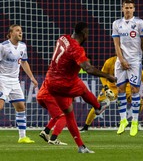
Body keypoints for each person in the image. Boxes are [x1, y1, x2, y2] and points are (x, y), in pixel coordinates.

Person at [42, 22, 116, 153]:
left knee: (69, 114)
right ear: (84, 34)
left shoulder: (62, 38)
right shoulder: (76, 49)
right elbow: (88, 68)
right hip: (64, 83)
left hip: (50, 83)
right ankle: (98, 107)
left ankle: (81, 146)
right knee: (81, 87)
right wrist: (108, 76)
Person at [80, 55, 143, 132]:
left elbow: (140, 73)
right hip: (111, 87)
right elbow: (102, 75)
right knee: (98, 105)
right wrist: (105, 87)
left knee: (139, 102)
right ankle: (86, 126)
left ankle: (135, 122)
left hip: (127, 87)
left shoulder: (130, 61)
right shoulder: (109, 62)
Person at [112, 0, 143, 137]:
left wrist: (137, 55)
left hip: (134, 61)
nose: (128, 10)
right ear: (122, 9)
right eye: (126, 7)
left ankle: (135, 122)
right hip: (121, 61)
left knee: (134, 89)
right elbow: (116, 44)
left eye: (130, 7)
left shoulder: (139, 23)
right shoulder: (116, 24)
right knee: (120, 89)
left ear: (134, 9)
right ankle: (123, 120)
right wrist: (121, 59)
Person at [0, 24, 38, 143]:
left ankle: (22, 137)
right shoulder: (3, 47)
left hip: (14, 81)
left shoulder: (22, 46)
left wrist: (31, 77)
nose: (20, 33)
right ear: (10, 33)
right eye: (17, 31)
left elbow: (24, 62)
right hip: (2, 79)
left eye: (21, 31)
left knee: (21, 108)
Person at [37, 81, 67, 145]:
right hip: (49, 96)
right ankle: (53, 139)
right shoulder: (64, 74)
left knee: (57, 115)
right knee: (63, 116)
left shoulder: (52, 71)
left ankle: (46, 131)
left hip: (41, 95)